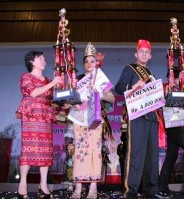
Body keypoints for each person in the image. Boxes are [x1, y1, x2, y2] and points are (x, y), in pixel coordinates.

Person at [115, 39, 167, 199]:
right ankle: (130, 191)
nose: (144, 54)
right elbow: (118, 88)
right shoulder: (130, 69)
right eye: (141, 52)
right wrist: (133, 86)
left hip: (152, 117)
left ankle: (150, 190)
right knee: (136, 153)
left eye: (147, 52)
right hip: (136, 116)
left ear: (150, 56)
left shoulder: (151, 75)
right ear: (136, 54)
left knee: (151, 155)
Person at [67, 42, 115, 199]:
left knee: (95, 150)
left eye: (92, 61)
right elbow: (69, 101)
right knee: (80, 151)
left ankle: (93, 187)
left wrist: (99, 94)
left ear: (97, 63)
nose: (89, 64)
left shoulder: (100, 78)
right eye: (86, 61)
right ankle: (78, 187)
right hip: (79, 119)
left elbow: (112, 98)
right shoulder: (79, 80)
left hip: (94, 118)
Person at [16, 50, 62, 199]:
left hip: (45, 117)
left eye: (44, 59)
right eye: (40, 59)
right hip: (31, 115)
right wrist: (54, 83)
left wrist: (65, 99)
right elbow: (34, 93)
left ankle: (43, 184)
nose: (44, 61)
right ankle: (22, 183)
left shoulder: (48, 80)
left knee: (45, 150)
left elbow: (53, 99)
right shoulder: (26, 77)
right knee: (28, 148)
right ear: (32, 62)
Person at [158, 70, 184, 196]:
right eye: (176, 78)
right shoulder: (164, 87)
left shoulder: (183, 87)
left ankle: (162, 185)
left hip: (176, 121)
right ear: (170, 77)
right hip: (169, 122)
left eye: (181, 78)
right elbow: (162, 107)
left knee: (172, 155)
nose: (178, 80)